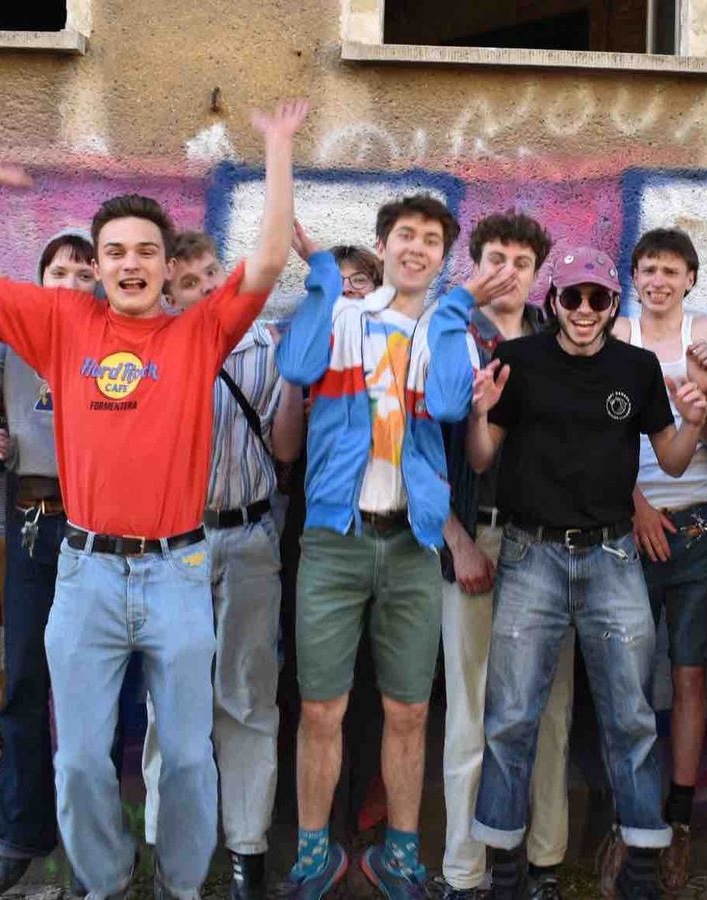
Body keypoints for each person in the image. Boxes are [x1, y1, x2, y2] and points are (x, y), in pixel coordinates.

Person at [0, 99, 306, 900]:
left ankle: (181, 886)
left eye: (145, 251)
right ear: (98, 262)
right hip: (85, 571)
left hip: (178, 573)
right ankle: (108, 880)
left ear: (162, 263)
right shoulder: (65, 321)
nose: (130, 264)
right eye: (114, 251)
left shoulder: (199, 331)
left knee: (187, 757)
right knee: (80, 759)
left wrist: (278, 148)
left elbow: (265, 260)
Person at [466, 246, 707, 900]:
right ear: (553, 301)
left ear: (611, 304)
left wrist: (694, 421)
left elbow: (674, 460)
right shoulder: (518, 360)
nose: (583, 309)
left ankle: (640, 868)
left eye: (596, 298)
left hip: (612, 557)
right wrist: (481, 412)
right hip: (531, 554)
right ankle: (506, 872)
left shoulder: (637, 367)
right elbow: (482, 457)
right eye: (571, 297)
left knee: (631, 716)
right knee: (511, 718)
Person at [278, 194, 475, 900]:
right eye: (405, 235)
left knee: (410, 711)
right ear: (383, 245)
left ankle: (400, 858)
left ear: (443, 256)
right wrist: (322, 275)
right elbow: (298, 363)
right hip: (335, 540)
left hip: (411, 543)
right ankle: (312, 856)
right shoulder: (342, 316)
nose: (417, 247)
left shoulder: (449, 329)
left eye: (431, 240)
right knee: (320, 710)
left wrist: (454, 310)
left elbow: (448, 406)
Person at [141, 229, 304, 900]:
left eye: (212, 273)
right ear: (170, 296)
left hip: (249, 538)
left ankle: (247, 852)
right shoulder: (153, 351)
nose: (207, 288)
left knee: (247, 698)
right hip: (174, 545)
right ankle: (171, 854)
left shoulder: (268, 348)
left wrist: (293, 382)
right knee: (169, 704)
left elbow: (286, 450)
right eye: (189, 283)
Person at [437, 211, 575, 900]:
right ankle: (465, 872)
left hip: (549, 547)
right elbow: (419, 450)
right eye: (496, 257)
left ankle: (543, 862)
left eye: (522, 262)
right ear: (475, 261)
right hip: (478, 536)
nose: (508, 272)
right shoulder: (449, 337)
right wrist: (455, 539)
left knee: (550, 708)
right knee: (471, 710)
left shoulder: (561, 341)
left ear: (537, 272)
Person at [0, 231, 99, 895]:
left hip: (96, 528)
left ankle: (93, 847)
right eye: (58, 272)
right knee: (22, 684)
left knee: (94, 691)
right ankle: (20, 835)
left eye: (82, 273)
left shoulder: (110, 340)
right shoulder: (14, 337)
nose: (70, 283)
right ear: (40, 279)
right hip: (29, 524)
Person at [611, 228, 707, 892]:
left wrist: (703, 394)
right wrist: (634, 506)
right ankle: (629, 819)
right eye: (649, 269)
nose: (658, 280)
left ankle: (678, 823)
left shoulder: (705, 336)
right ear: (635, 276)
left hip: (698, 521)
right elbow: (599, 436)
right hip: (629, 522)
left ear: (690, 279)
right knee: (625, 682)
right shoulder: (617, 335)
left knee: (689, 677)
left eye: (671, 270)